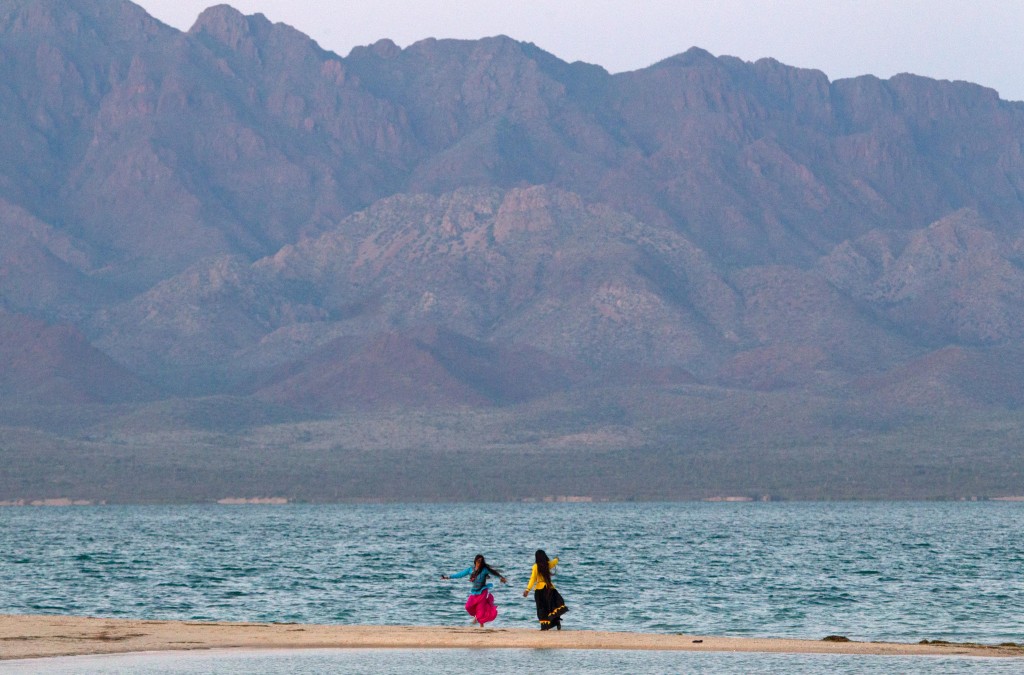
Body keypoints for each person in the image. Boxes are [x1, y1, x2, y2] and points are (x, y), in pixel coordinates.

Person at [441, 554, 507, 627]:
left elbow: (494, 573)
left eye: (481, 561)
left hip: (482, 592)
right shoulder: (470, 569)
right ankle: (476, 616)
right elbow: (460, 574)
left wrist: (501, 577)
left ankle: (481, 627)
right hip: (474, 592)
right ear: (475, 561)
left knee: (481, 612)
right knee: (468, 607)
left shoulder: (484, 570)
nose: (480, 563)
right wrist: (448, 577)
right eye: (478, 561)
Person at [523, 548, 568, 630]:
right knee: (552, 606)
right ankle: (556, 621)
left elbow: (532, 579)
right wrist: (557, 558)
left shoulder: (536, 566)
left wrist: (527, 589)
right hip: (549, 589)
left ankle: (544, 627)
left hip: (540, 590)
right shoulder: (548, 564)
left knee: (542, 608)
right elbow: (554, 562)